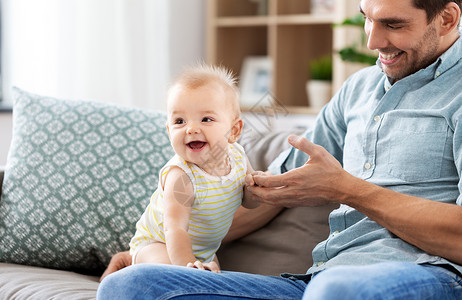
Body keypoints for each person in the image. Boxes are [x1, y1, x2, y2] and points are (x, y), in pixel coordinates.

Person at [97, 0, 462, 299]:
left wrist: (347, 189)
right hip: (314, 281)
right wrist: (154, 251)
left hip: (427, 275)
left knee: (337, 292)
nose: (372, 41)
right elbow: (273, 190)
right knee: (129, 286)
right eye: (367, 19)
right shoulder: (358, 89)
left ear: (446, 19)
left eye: (393, 25)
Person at [128, 64, 259, 273]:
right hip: (158, 244)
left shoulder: (238, 157)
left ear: (234, 131)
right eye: (179, 121)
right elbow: (176, 229)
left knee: (214, 280)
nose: (191, 128)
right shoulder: (181, 176)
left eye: (206, 119)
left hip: (204, 251)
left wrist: (257, 188)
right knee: (170, 273)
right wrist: (189, 267)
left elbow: (250, 202)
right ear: (169, 131)